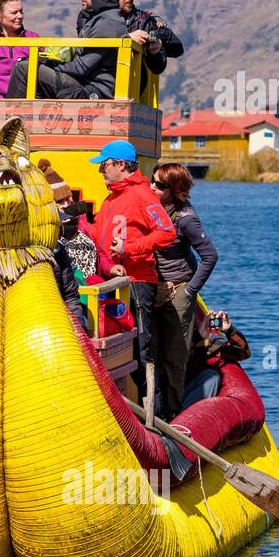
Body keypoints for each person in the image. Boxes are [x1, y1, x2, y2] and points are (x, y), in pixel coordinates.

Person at [88, 140, 177, 405]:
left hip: (137, 283)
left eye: (104, 165)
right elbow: (98, 235)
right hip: (110, 282)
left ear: (121, 165)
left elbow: (167, 232)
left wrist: (131, 248)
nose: (101, 171)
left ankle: (156, 416)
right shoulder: (110, 198)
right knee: (117, 349)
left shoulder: (142, 195)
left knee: (141, 350)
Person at [150, 162, 219, 418]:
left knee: (174, 357)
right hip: (152, 289)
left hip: (178, 290)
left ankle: (174, 412)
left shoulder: (186, 219)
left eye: (159, 184)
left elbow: (210, 256)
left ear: (174, 189)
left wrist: (189, 292)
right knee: (150, 353)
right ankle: (152, 412)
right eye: (152, 181)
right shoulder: (153, 209)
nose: (152, 187)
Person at [7, 0, 127, 100]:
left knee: (23, 68)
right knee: (32, 72)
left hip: (93, 89)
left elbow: (80, 68)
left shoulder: (106, 24)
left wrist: (49, 63)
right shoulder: (104, 19)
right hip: (87, 83)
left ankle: (11, 116)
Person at [103, 0, 183, 98]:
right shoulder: (91, 15)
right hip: (95, 86)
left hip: (128, 92)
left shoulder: (143, 21)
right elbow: (88, 38)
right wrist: (126, 38)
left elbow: (163, 62)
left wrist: (155, 51)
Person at [180, 308, 250, 411]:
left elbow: (243, 352)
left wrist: (228, 330)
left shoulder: (206, 346)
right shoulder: (170, 341)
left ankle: (184, 418)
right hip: (164, 393)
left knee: (211, 376)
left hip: (185, 398)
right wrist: (198, 337)